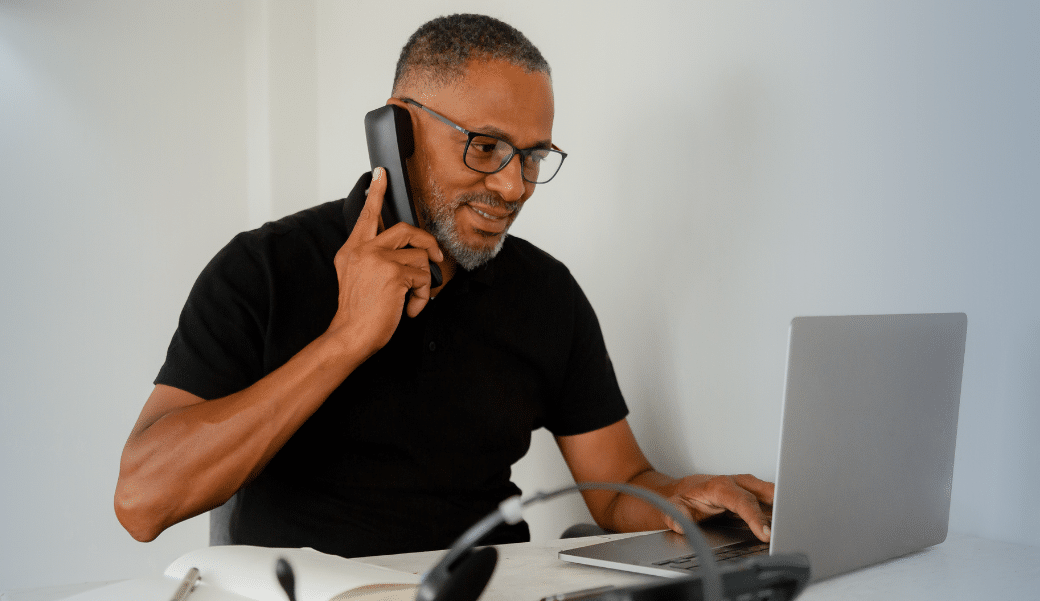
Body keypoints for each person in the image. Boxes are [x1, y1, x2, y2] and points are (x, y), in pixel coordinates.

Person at [114, 14, 774, 558]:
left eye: (533, 155)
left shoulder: (546, 292)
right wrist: (345, 339)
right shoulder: (262, 269)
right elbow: (143, 501)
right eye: (484, 147)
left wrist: (679, 497)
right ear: (396, 130)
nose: (514, 186)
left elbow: (617, 483)